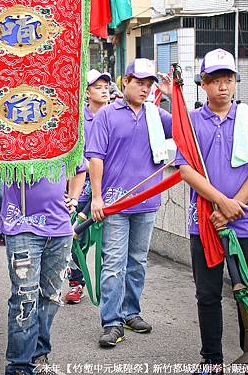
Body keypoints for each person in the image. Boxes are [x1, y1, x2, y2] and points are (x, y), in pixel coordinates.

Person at [175, 49, 248, 373]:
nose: (223, 87)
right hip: (203, 223)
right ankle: (212, 359)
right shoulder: (190, 123)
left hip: (244, 223)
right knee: (207, 294)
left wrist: (233, 207)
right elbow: (186, 171)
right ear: (203, 84)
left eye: (228, 80)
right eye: (215, 80)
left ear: (235, 83)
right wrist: (220, 202)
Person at [87, 58, 172, 348]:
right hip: (114, 204)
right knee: (113, 264)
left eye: (149, 84)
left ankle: (131, 312)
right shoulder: (107, 115)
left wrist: (175, 95)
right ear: (125, 82)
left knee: (137, 262)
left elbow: (187, 131)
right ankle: (111, 322)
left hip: (147, 202)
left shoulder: (156, 115)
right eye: (139, 82)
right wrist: (96, 197)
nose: (144, 88)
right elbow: (95, 157)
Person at [0, 163, 85, 375]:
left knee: (50, 297)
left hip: (59, 229)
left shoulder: (60, 134)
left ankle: (38, 358)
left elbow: (80, 167)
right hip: (22, 228)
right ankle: (19, 366)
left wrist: (73, 198)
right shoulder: (9, 133)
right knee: (24, 298)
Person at [64, 69, 111, 305]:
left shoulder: (115, 115)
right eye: (98, 87)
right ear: (86, 92)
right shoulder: (78, 120)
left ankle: (108, 288)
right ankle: (76, 282)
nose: (104, 90)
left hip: (109, 188)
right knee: (75, 236)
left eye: (106, 86)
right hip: (81, 188)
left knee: (108, 241)